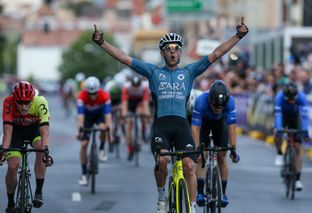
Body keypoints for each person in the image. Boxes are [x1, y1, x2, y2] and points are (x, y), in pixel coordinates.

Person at [92, 18, 248, 213]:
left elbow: (217, 53)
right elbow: (124, 58)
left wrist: (238, 36)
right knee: (163, 160)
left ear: (180, 52)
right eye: (168, 48)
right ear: (163, 52)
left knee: (191, 165)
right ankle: (161, 197)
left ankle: (190, 207)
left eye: (176, 48)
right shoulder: (153, 71)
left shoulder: (189, 72)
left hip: (182, 126)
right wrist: (101, 43)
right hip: (162, 126)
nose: (172, 51)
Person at [0, 81, 53, 212]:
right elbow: (7, 131)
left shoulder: (40, 102)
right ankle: (11, 203)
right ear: (14, 99)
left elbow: (45, 131)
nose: (24, 106)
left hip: (34, 131)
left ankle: (38, 192)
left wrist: (46, 152)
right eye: (20, 103)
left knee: (41, 150)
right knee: (12, 167)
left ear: (33, 98)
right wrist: (3, 151)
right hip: (15, 132)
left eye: (27, 102)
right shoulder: (8, 102)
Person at [191, 80, 240, 208]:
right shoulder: (201, 101)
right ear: (210, 101)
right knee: (202, 155)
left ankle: (223, 193)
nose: (218, 110)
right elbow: (195, 128)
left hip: (220, 124)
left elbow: (232, 127)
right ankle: (200, 192)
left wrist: (233, 150)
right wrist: (197, 149)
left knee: (222, 157)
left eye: (221, 107)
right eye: (215, 107)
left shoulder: (230, 102)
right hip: (204, 124)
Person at [76, 76, 113, 186]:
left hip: (99, 116)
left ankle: (101, 149)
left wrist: (109, 134)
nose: (92, 96)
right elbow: (80, 117)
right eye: (90, 94)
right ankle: (83, 173)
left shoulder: (105, 96)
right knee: (84, 144)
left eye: (95, 93)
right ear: (86, 91)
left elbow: (108, 117)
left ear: (99, 90)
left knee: (103, 128)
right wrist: (80, 132)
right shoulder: (81, 97)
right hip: (87, 117)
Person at [274, 81, 310, 190]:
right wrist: (279, 130)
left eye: (293, 99)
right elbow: (278, 116)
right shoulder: (279, 97)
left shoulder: (302, 97)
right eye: (289, 99)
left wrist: (304, 130)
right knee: (276, 132)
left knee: (298, 148)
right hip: (283, 117)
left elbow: (304, 116)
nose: (291, 101)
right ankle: (279, 153)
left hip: (295, 118)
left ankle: (298, 179)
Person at [121, 75, 151, 160]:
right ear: (131, 84)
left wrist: (147, 115)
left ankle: (143, 132)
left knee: (142, 114)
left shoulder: (144, 88)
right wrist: (124, 115)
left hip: (139, 103)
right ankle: (130, 148)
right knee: (129, 123)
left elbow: (145, 103)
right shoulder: (126, 87)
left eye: (137, 86)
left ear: (140, 85)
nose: (135, 88)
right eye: (134, 86)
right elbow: (124, 103)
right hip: (130, 104)